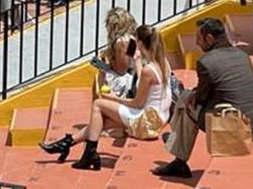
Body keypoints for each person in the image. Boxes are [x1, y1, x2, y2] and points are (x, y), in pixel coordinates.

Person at [42, 24, 172, 170]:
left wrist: (112, 98)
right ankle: (68, 144)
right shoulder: (161, 63)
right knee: (103, 122)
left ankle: (88, 154)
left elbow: (137, 103)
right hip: (157, 118)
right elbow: (144, 86)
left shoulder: (149, 70)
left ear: (140, 43)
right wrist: (137, 61)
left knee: (98, 104)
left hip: (147, 123)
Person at [153, 18, 253, 178]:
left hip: (233, 128)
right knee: (189, 98)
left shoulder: (206, 62)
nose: (197, 43)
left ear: (210, 38)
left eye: (199, 38)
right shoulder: (242, 55)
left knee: (185, 101)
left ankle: (178, 154)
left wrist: (192, 95)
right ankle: (175, 140)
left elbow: (200, 99)